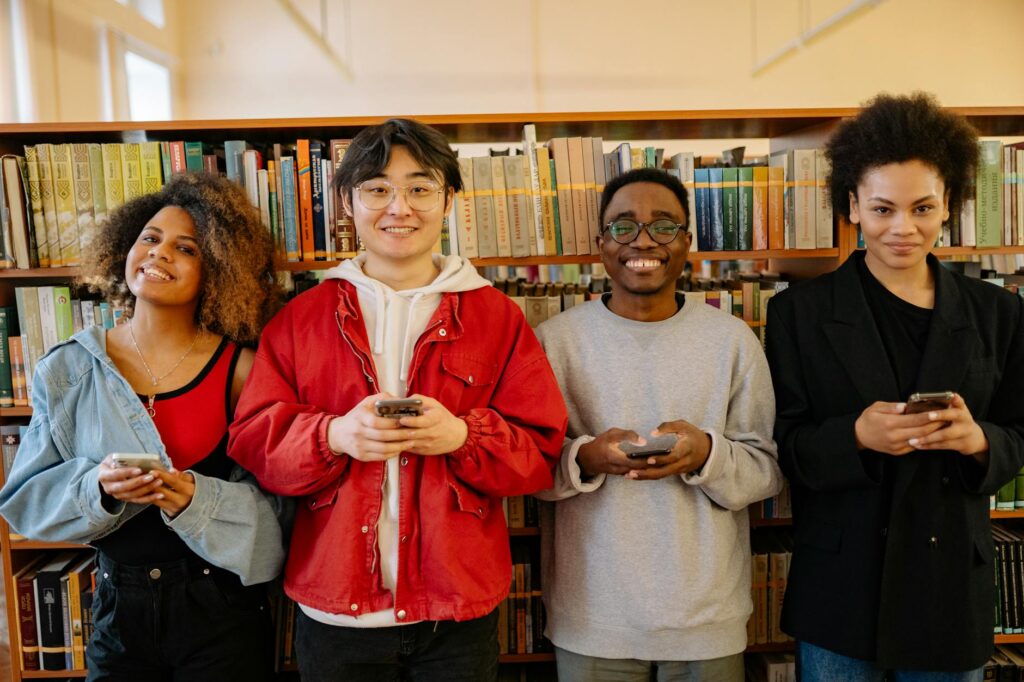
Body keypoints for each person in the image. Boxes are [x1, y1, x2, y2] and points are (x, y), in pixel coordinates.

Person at [227, 118, 567, 681]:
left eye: (420, 187)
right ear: (347, 200)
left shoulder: (497, 318)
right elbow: (252, 439)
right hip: (335, 611)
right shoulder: (300, 318)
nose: (399, 207)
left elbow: (540, 449)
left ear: (449, 198)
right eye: (378, 188)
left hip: (455, 613)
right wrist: (335, 435)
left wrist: (461, 436)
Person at [764, 92, 1024, 680]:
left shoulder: (998, 314)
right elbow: (783, 445)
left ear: (949, 205)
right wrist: (855, 436)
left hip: (949, 584)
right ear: (852, 205)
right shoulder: (798, 314)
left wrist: (978, 439)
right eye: (882, 209)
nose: (903, 229)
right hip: (840, 584)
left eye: (923, 208)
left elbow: (1019, 434)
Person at [0, 172, 286, 682]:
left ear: (219, 268)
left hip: (223, 609)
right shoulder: (68, 369)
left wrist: (193, 499)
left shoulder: (244, 371)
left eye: (186, 248)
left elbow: (279, 514)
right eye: (149, 239)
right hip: (115, 607)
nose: (158, 254)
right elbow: (26, 504)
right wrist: (98, 488)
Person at [534, 167, 782, 682]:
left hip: (705, 618)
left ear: (687, 242)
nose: (642, 241)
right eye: (623, 227)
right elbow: (526, 467)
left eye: (663, 226)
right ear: (601, 243)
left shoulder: (733, 340)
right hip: (593, 618)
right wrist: (587, 457)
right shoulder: (554, 342)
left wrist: (706, 454)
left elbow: (765, 470)